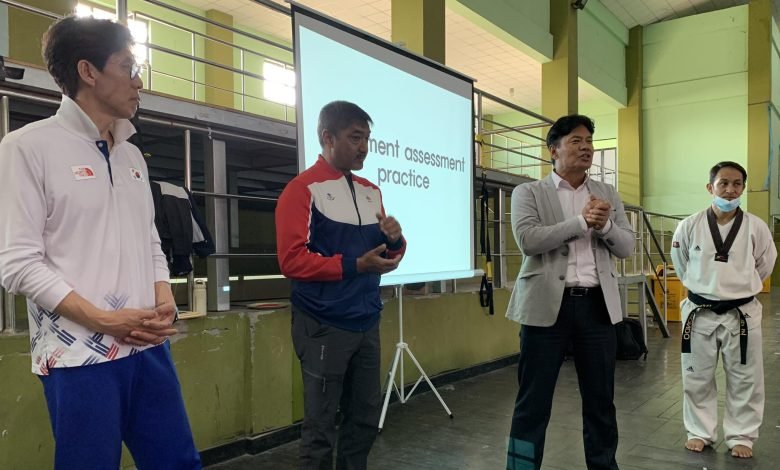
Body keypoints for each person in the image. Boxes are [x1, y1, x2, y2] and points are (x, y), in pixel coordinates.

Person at [0, 16, 200, 469]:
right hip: (77, 357)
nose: (139, 81)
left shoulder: (131, 154)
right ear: (88, 71)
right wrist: (103, 320)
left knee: (178, 463)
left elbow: (149, 239)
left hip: (148, 348)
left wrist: (163, 296)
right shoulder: (27, 147)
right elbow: (17, 263)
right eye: (128, 67)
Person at [275, 100, 406, 469]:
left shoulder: (371, 191)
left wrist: (395, 240)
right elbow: (291, 260)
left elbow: (385, 255)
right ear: (327, 138)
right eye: (355, 137)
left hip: (366, 322)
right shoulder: (302, 190)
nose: (364, 147)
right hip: (323, 325)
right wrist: (354, 266)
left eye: (367, 139)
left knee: (364, 420)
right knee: (320, 427)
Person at [505, 115, 634, 470]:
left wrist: (604, 225)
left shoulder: (607, 194)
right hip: (546, 308)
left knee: (601, 402)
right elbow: (528, 240)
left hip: (597, 308)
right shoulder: (529, 192)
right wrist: (580, 222)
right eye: (576, 141)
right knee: (532, 403)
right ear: (553, 150)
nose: (586, 147)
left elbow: (626, 247)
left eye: (589, 141)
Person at [671, 161, 775, 459]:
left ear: (743, 188)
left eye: (737, 184)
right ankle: (699, 432)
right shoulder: (689, 225)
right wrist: (703, 287)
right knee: (696, 376)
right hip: (699, 311)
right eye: (723, 183)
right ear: (710, 187)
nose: (730, 189)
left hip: (741, 312)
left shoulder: (756, 226)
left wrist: (738, 288)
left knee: (746, 378)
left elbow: (765, 265)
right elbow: (681, 263)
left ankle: (742, 436)